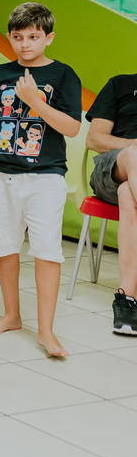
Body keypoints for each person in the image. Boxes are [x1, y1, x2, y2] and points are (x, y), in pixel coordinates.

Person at [0, 2, 81, 357]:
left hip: (45, 175)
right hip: (0, 172)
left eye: (33, 37)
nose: (25, 44)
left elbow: (72, 128)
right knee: (4, 245)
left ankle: (46, 330)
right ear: (10, 38)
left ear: (49, 37)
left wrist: (34, 101)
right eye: (18, 37)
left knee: (46, 250)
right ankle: (12, 314)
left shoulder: (63, 76)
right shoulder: (0, 73)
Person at [85, 72, 137, 334]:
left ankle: (127, 299)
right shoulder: (121, 84)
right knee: (135, 156)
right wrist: (133, 145)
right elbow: (94, 139)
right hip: (113, 168)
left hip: (128, 188)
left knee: (130, 194)